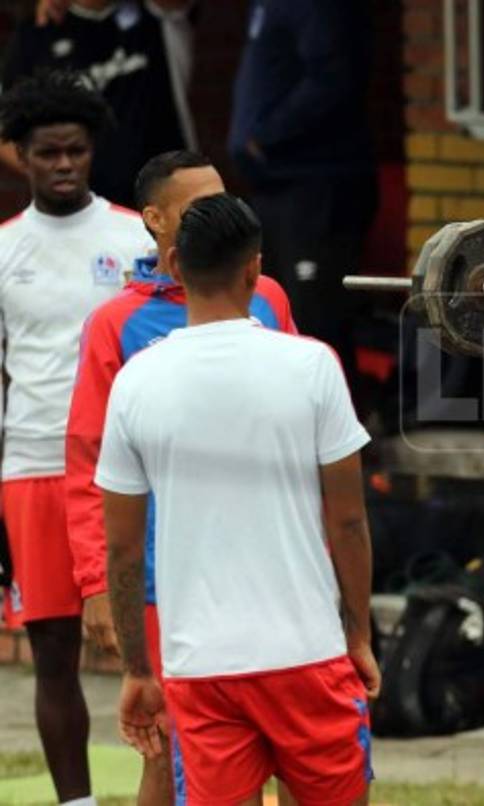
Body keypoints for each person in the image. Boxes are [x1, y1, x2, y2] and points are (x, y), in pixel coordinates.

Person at [96, 192, 378, 803]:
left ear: (174, 265)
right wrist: (357, 635)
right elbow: (349, 522)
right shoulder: (313, 366)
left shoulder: (135, 381)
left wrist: (138, 669)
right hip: (308, 653)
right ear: (255, 269)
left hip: (199, 665)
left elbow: (120, 550)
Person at [64, 149, 296, 805]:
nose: (218, 213)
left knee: (288, 750)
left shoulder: (268, 297)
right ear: (155, 220)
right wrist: (97, 583)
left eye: (223, 198)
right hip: (166, 578)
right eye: (198, 205)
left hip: (269, 568)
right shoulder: (116, 323)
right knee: (169, 748)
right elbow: (88, 461)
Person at [0, 69, 150, 806]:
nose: (63, 165)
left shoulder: (135, 237)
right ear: (19, 156)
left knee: (154, 639)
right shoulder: (4, 250)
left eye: (76, 151)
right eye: (48, 153)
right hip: (32, 466)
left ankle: (177, 787)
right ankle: (76, 802)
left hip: (127, 466)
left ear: (93, 150)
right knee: (53, 652)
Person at [228, 0, 377, 382]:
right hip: (274, 184)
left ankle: (340, 416)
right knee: (275, 317)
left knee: (316, 322)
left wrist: (267, 135)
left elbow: (333, 79)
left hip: (316, 184)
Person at [1, 0, 196, 207]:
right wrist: (52, 170)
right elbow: (4, 132)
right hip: (84, 213)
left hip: (170, 202)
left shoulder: (158, 15)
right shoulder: (36, 33)